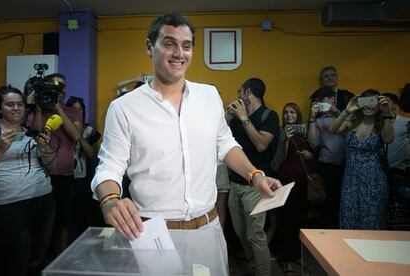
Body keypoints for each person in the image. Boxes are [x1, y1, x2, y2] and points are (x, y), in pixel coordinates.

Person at [90, 12, 282, 269]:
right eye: (169, 43)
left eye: (186, 45)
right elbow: (109, 166)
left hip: (208, 229)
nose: (179, 53)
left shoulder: (209, 96)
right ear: (150, 47)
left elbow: (225, 144)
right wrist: (110, 200)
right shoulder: (124, 108)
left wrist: (255, 175)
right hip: (154, 234)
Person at [0, 85, 56, 276]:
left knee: (37, 257)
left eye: (20, 104)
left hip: (43, 198)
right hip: (10, 204)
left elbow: (49, 165)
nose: (16, 108)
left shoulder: (30, 131)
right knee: (16, 259)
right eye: (10, 104)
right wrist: (0, 149)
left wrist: (45, 149)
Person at [225, 78, 280, 276]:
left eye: (241, 92)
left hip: (256, 187)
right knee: (240, 233)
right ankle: (254, 267)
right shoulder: (239, 118)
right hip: (235, 184)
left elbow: (261, 145)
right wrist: (229, 117)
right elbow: (222, 142)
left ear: (247, 92)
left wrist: (243, 118)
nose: (239, 96)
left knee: (255, 235)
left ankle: (263, 273)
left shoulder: (269, 116)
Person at [26, 73, 83, 255]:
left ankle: (58, 260)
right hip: (38, 175)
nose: (59, 90)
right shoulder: (34, 111)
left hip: (64, 176)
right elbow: (33, 133)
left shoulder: (73, 112)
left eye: (62, 86)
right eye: (53, 86)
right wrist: (37, 109)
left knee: (61, 223)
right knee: (38, 223)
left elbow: (75, 136)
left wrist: (58, 108)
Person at [329, 89, 394, 229]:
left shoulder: (381, 123)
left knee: (372, 221)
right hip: (350, 180)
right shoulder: (352, 121)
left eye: (373, 102)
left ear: (378, 105)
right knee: (349, 219)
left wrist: (387, 113)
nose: (369, 106)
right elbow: (332, 129)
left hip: (374, 181)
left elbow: (389, 139)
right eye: (366, 102)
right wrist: (346, 111)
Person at [273, 103, 313, 275]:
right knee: (286, 221)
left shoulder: (304, 133)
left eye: (292, 112)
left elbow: (313, 155)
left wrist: (310, 155)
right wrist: (286, 140)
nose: (289, 115)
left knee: (299, 220)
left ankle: (296, 255)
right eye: (286, 112)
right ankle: (287, 259)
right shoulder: (279, 134)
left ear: (298, 115)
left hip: (302, 183)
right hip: (284, 182)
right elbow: (276, 162)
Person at [307, 86, 347, 229]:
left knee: (344, 206)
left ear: (331, 99)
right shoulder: (318, 121)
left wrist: (337, 112)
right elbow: (313, 143)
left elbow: (353, 126)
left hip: (348, 167)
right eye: (316, 103)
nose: (318, 105)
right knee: (328, 208)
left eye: (320, 101)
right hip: (328, 167)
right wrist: (312, 118)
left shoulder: (346, 116)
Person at [65, 96, 102, 233]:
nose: (78, 112)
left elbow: (91, 153)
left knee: (83, 214)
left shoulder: (90, 130)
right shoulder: (60, 128)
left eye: (80, 109)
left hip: (83, 177)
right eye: (74, 109)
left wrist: (78, 135)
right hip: (64, 176)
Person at [383, 92, 410, 229]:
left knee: (399, 210)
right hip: (380, 171)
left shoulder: (406, 122)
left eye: (386, 101)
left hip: (398, 171)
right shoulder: (376, 122)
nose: (382, 103)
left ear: (394, 104)